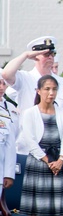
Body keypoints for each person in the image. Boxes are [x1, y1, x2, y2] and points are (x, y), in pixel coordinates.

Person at [17, 76, 63, 216]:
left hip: (59, 165)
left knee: (54, 213)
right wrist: (46, 160)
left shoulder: (62, 112)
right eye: (47, 89)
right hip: (38, 163)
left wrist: (61, 159)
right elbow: (30, 140)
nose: (51, 93)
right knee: (34, 212)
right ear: (39, 91)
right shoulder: (30, 113)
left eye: (54, 89)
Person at [3, 36, 63, 152]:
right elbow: (6, 74)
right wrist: (26, 55)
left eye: (52, 53)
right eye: (46, 54)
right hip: (29, 146)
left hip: (56, 147)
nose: (51, 57)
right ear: (35, 56)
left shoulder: (62, 83)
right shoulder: (25, 78)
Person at [0, 75, 17, 206]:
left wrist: (9, 174)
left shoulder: (6, 113)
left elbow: (10, 146)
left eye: (3, 84)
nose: (1, 87)